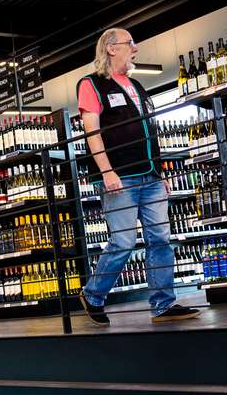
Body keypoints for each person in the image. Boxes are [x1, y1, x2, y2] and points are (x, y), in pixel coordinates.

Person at [77, 28, 200, 326]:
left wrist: (160, 173)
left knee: (161, 239)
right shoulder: (92, 84)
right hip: (120, 178)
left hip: (151, 177)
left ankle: (162, 304)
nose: (136, 48)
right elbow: (92, 131)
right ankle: (93, 295)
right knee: (123, 241)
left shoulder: (136, 86)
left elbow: (150, 134)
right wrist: (106, 170)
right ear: (110, 49)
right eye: (130, 43)